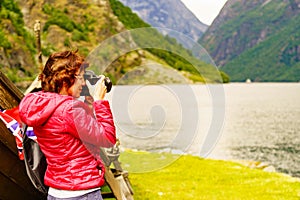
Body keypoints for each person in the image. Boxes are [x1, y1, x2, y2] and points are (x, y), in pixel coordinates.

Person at [19, 50, 116, 200]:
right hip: (82, 192)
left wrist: (88, 104)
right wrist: (100, 102)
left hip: (56, 191)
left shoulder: (41, 106)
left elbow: (72, 135)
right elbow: (107, 138)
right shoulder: (70, 110)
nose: (83, 83)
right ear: (65, 80)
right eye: (80, 78)